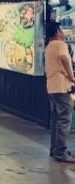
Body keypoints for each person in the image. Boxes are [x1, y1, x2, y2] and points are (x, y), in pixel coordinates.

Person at [45, 22, 75, 163]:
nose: (63, 32)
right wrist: (71, 76)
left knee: (56, 119)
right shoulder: (60, 44)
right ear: (57, 31)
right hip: (62, 87)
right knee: (64, 120)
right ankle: (61, 152)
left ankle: (54, 149)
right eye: (61, 30)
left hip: (52, 88)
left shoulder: (49, 47)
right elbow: (64, 58)